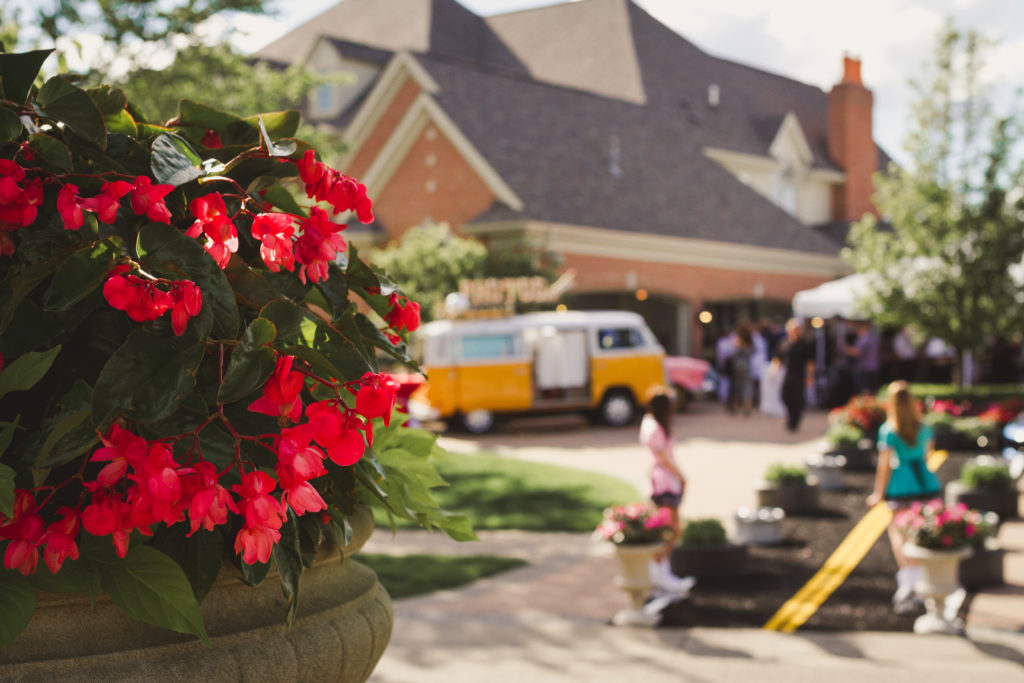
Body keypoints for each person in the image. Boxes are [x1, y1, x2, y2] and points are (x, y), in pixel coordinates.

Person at [866, 380, 942, 613]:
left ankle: (909, 580)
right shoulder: (924, 427)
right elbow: (927, 456)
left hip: (901, 482)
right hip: (923, 480)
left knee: (898, 533)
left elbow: (884, 466)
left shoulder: (889, 430)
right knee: (918, 531)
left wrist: (879, 493)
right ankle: (920, 580)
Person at [639, 388, 688, 588]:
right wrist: (681, 476)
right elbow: (664, 458)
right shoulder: (655, 428)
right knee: (671, 530)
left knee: (669, 529)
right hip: (665, 482)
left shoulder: (651, 424)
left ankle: (662, 570)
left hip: (662, 479)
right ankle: (658, 570)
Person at [772, 318, 815, 432]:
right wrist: (774, 370)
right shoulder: (784, 342)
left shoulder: (804, 344)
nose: (796, 331)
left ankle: (794, 422)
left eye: (797, 329)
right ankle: (790, 415)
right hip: (788, 373)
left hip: (799, 374)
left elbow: (810, 362)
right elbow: (777, 358)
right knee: (785, 395)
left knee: (797, 398)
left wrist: (810, 376)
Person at [846, 321, 881, 394]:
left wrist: (846, 350)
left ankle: (866, 404)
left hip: (864, 368)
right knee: (873, 389)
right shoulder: (874, 338)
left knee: (865, 389)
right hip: (874, 366)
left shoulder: (864, 338)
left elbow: (857, 353)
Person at [728, 324, 755, 415]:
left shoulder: (738, 341)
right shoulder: (749, 342)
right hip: (747, 366)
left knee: (737, 385)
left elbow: (734, 354)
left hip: (738, 366)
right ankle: (747, 405)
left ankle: (735, 405)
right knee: (747, 385)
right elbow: (753, 352)